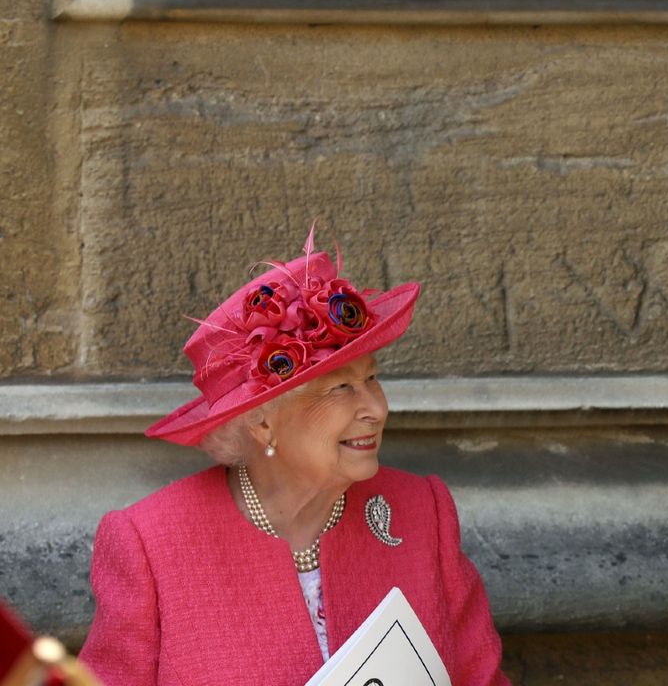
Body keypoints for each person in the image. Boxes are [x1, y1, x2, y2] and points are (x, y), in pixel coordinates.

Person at [79, 228, 509, 685]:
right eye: (341, 388)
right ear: (263, 421)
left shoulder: (423, 511)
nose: (377, 409)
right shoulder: (150, 545)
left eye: (372, 379)